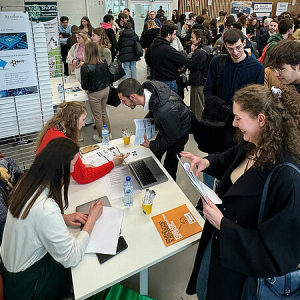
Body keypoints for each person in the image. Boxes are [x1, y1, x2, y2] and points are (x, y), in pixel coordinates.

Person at [182, 84, 300, 300]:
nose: (234, 123)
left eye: (238, 118)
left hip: (243, 272)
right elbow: (231, 157)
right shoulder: (255, 144)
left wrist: (222, 224)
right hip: (220, 246)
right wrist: (206, 161)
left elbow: (275, 253)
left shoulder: (287, 178)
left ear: (261, 120)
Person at [1, 138, 104, 300]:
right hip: (28, 287)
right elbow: (72, 256)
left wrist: (62, 218)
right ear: (60, 169)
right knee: (85, 266)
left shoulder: (26, 183)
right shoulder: (45, 208)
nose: (72, 170)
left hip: (12, 273)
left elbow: (32, 218)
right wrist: (92, 219)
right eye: (72, 164)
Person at [203, 28, 264, 188]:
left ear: (244, 42)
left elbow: (257, 99)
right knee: (211, 159)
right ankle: (206, 196)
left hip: (240, 126)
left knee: (233, 161)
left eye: (238, 47)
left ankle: (223, 193)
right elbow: (208, 89)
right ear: (225, 47)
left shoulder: (257, 67)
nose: (235, 52)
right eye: (230, 49)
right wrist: (219, 107)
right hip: (217, 122)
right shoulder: (217, 62)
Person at [35, 101, 127, 184]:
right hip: (48, 184)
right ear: (73, 120)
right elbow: (84, 177)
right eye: (83, 120)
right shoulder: (65, 143)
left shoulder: (54, 128)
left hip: (40, 179)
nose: (84, 124)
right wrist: (113, 163)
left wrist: (77, 166)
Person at [118, 78, 191, 181]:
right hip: (168, 124)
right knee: (155, 154)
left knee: (170, 164)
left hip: (178, 133)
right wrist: (143, 126)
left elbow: (173, 137)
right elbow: (154, 108)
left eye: (123, 100)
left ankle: (170, 186)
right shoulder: (149, 91)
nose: (122, 103)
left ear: (133, 97)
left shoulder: (164, 112)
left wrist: (151, 145)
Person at [81, 42, 111, 143]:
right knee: (103, 113)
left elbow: (84, 85)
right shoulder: (103, 61)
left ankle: (102, 136)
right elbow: (108, 76)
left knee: (97, 116)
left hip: (94, 93)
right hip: (105, 89)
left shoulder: (85, 67)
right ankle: (108, 133)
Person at [145, 22, 186, 93]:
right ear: (169, 35)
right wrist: (176, 68)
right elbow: (183, 59)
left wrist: (154, 68)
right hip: (168, 81)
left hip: (156, 79)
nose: (175, 36)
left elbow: (147, 57)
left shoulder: (153, 44)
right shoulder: (168, 49)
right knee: (171, 102)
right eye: (174, 34)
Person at [186, 29, 210, 121]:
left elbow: (190, 63)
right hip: (202, 80)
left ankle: (198, 125)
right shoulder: (206, 49)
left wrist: (191, 53)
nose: (191, 39)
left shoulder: (199, 52)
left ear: (199, 39)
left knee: (197, 106)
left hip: (198, 81)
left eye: (192, 37)